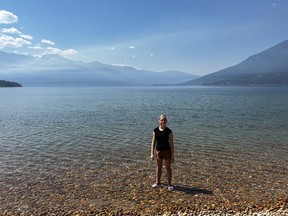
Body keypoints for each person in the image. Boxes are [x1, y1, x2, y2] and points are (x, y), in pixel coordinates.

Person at [150, 114, 175, 191]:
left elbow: (171, 144)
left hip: (167, 151)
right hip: (158, 151)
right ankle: (158, 183)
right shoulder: (155, 131)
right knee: (159, 167)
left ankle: (169, 185)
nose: (163, 121)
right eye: (161, 120)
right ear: (159, 121)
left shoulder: (169, 131)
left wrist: (173, 156)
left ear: (166, 121)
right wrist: (152, 153)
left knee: (168, 168)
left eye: (164, 120)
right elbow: (153, 142)